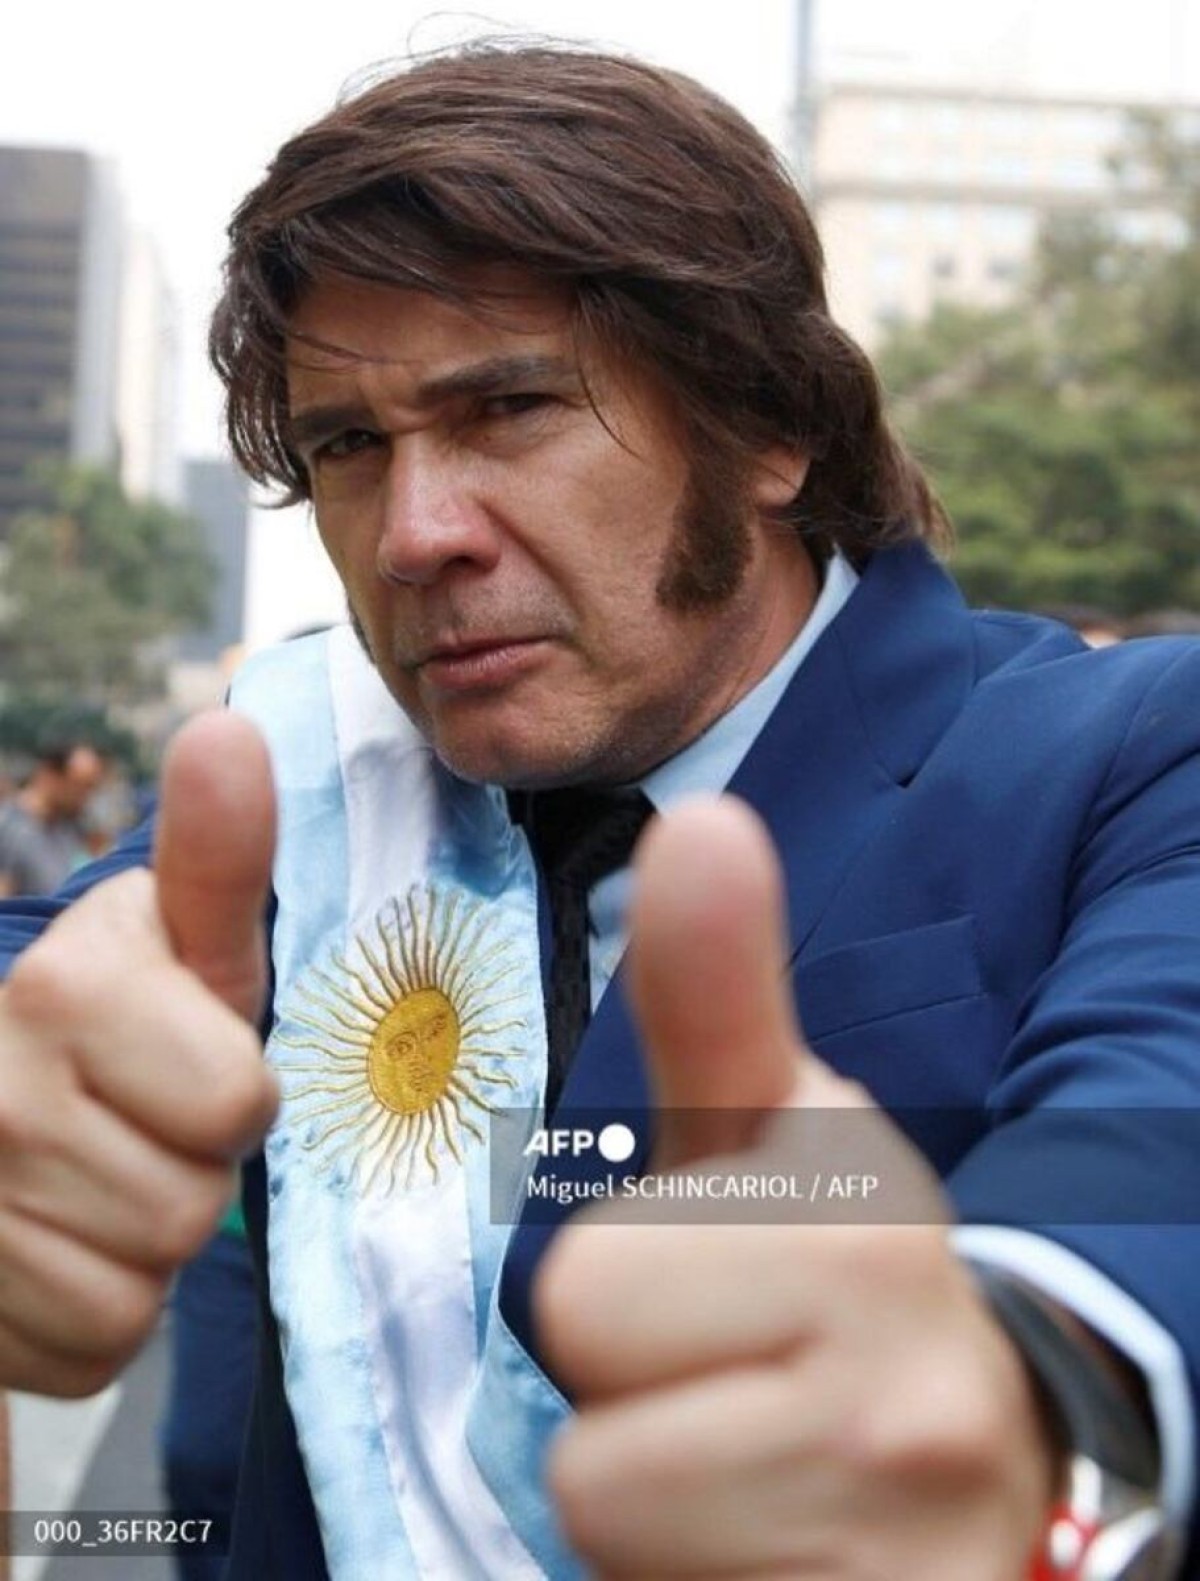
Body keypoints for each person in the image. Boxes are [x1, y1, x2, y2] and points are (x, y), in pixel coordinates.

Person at [0, 41, 1197, 1581]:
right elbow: (69, 969)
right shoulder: (308, 776)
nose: (416, 534)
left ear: (772, 428)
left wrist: (1036, 1391)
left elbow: (1157, 1144)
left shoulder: (1129, 749)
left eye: (509, 406)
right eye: (349, 448)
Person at [0, 741, 106, 897]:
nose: (86, 798)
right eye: (80, 786)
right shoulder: (8, 829)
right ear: (50, 774)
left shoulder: (70, 828)